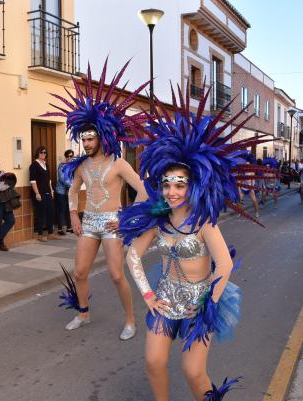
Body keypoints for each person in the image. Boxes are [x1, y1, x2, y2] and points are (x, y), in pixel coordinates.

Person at [118, 87, 267, 401]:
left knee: (192, 370)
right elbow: (132, 256)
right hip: (166, 297)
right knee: (154, 361)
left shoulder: (203, 222)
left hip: (201, 301)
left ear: (193, 186)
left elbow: (224, 263)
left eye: (179, 185)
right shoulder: (158, 218)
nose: (171, 191)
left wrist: (206, 305)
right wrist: (147, 295)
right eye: (166, 184)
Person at [45, 59, 149, 340]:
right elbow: (71, 190)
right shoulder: (80, 166)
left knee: (117, 275)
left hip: (112, 223)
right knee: (80, 272)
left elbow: (142, 189)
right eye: (84, 139)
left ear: (102, 137)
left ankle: (130, 320)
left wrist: (126, 218)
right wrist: (73, 215)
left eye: (91, 139)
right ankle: (83, 312)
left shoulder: (118, 163)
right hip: (89, 222)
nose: (87, 143)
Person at [29, 146, 58, 242]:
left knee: (51, 212)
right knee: (41, 213)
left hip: (47, 192)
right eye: (41, 152)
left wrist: (51, 191)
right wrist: (37, 193)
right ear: (37, 153)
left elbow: (49, 180)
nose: (43, 154)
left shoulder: (46, 164)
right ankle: (40, 235)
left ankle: (50, 233)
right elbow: (33, 181)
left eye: (45, 152)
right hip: (39, 193)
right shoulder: (34, 165)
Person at [55, 150, 74, 235]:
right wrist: (72, 185)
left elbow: (75, 176)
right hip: (61, 191)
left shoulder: (73, 165)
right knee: (61, 210)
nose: (69, 158)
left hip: (69, 191)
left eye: (71, 156)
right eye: (68, 156)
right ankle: (60, 229)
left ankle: (69, 227)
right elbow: (62, 179)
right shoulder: (61, 166)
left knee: (68, 209)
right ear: (65, 156)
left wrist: (74, 185)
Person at [237, 153, 260, 218]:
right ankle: (240, 212)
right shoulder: (241, 172)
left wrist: (252, 189)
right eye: (245, 164)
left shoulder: (252, 172)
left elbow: (253, 181)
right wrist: (239, 189)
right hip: (243, 187)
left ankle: (257, 212)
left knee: (254, 200)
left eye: (248, 164)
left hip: (250, 187)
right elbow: (239, 181)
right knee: (239, 200)